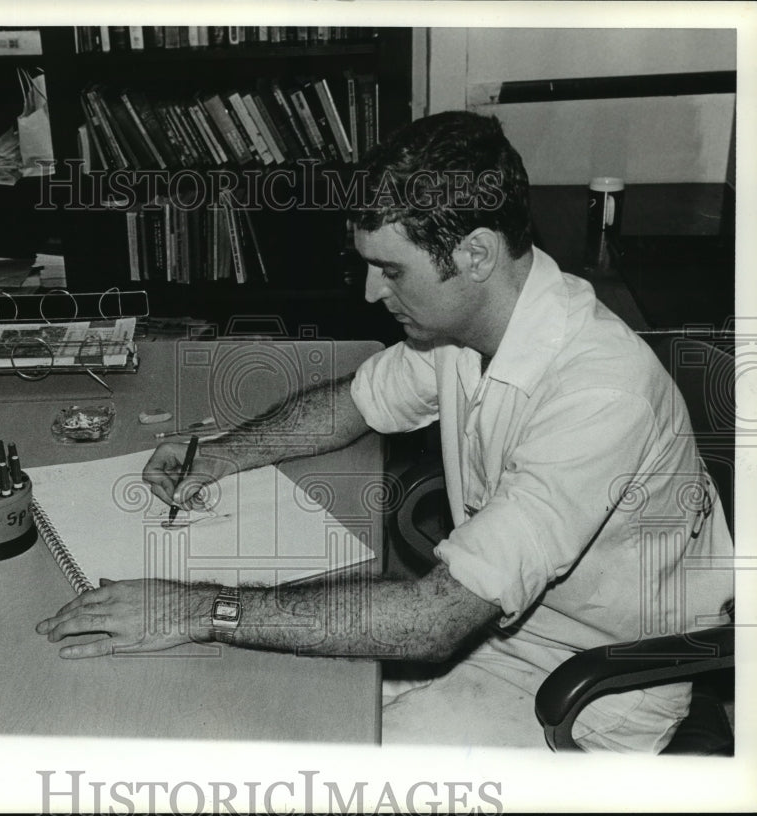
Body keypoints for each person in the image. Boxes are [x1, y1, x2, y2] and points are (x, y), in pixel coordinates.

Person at [37, 111, 734, 752]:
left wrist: (194, 607)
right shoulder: (474, 325)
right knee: (250, 700)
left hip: (591, 692)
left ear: (476, 255)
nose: (372, 293)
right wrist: (220, 457)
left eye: (391, 270)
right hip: (497, 633)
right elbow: (356, 402)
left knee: (306, 763)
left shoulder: (598, 393)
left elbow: (432, 622)